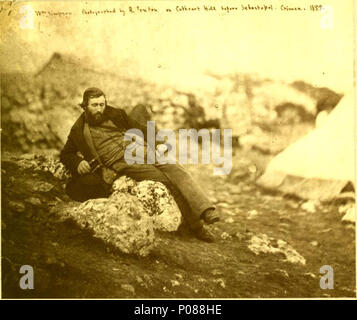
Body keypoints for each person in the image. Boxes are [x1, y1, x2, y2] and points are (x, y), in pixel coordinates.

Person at [60, 87, 220, 242]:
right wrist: (78, 162)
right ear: (85, 106)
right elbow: (66, 154)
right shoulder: (78, 130)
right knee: (166, 179)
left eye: (102, 104)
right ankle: (197, 227)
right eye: (94, 105)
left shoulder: (115, 114)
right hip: (120, 162)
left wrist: (158, 143)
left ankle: (206, 210)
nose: (99, 109)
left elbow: (141, 128)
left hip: (138, 148)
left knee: (174, 166)